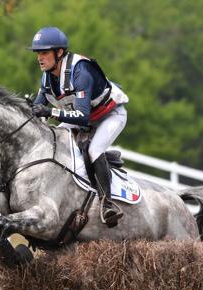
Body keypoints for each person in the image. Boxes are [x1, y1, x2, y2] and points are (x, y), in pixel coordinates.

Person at [29, 27, 129, 227]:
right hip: (87, 117)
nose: (40, 58)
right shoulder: (48, 76)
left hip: (110, 116)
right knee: (55, 137)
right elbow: (36, 109)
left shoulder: (80, 71)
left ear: (59, 53)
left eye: (44, 53)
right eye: (38, 53)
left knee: (94, 150)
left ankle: (106, 203)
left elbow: (81, 118)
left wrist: (50, 112)